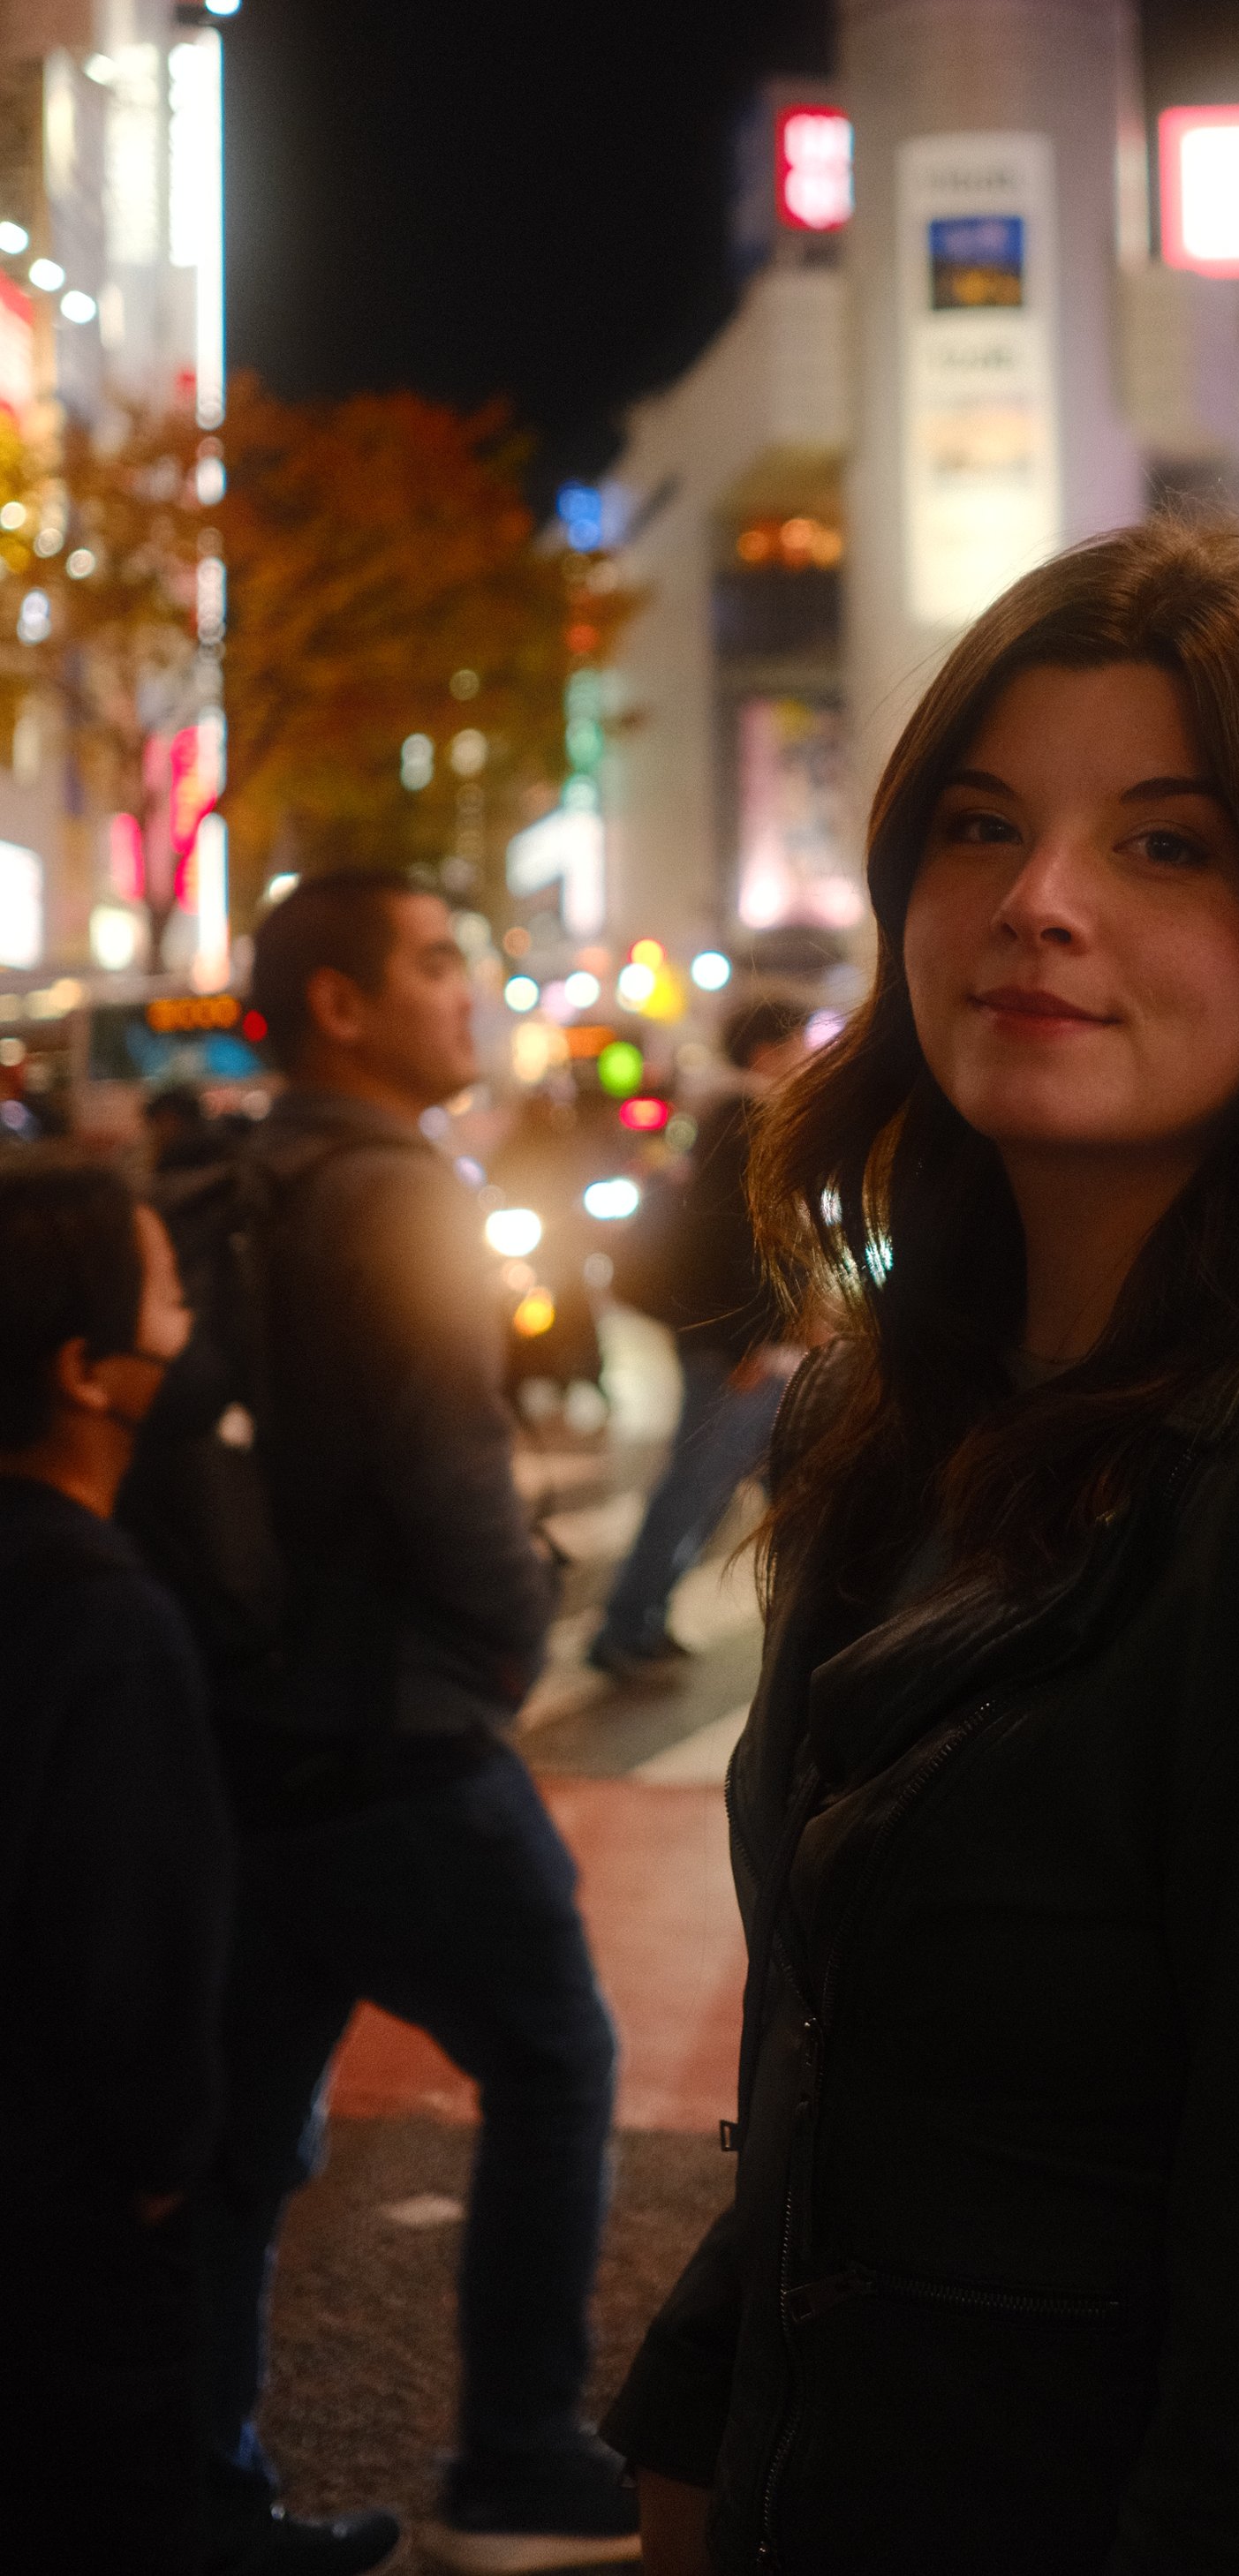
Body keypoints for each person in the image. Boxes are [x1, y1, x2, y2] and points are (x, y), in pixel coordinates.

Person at [601, 523, 1239, 2576]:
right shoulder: (895, 1429)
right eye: (981, 824)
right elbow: (829, 2089)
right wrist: (690, 2448)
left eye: (1164, 846)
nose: (1035, 904)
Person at [162, 872, 637, 2572]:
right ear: (342, 1006)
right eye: (439, 964)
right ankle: (515, 2454)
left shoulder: (215, 1175)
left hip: (238, 1730)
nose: (471, 993)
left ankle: (202, 2495)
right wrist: (508, 1642)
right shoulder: (396, 1200)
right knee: (559, 2057)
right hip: (400, 1740)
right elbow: (450, 1486)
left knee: (234, 2136)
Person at [0, 1158, 239, 2576]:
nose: (187, 1318)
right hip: (59, 2218)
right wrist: (161, 2165)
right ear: (88, 1370)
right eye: (165, 1293)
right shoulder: (106, 1619)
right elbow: (134, 1952)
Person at [589, 1000, 812, 1680]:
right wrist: (758, 1339)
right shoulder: (746, 1121)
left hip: (753, 1346)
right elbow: (739, 1242)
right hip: (740, 1350)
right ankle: (625, 1628)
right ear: (767, 1052)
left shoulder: (735, 1117)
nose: (809, 1055)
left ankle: (805, 1640)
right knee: (699, 1486)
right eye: (800, 1041)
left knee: (791, 1493)